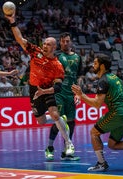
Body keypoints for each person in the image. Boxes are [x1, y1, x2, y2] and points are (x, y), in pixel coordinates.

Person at [5, 12, 75, 156]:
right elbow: (20, 39)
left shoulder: (57, 65)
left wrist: (45, 91)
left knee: (55, 114)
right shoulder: (35, 52)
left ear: (54, 47)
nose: (44, 46)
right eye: (43, 43)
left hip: (47, 91)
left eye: (48, 44)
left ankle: (69, 143)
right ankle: (60, 120)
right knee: (41, 121)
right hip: (34, 90)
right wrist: (12, 22)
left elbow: (58, 86)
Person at [71, 53, 123, 172]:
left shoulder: (103, 80)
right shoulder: (115, 77)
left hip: (118, 112)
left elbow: (97, 104)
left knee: (94, 132)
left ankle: (101, 163)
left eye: (95, 63)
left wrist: (82, 95)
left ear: (102, 66)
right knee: (112, 144)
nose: (93, 65)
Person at [45, 32, 82, 161]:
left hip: (71, 95)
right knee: (60, 120)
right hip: (59, 93)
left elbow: (79, 76)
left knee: (71, 122)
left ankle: (67, 150)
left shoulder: (78, 57)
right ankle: (50, 147)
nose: (65, 43)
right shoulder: (56, 57)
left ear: (71, 42)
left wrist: (78, 92)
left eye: (67, 41)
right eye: (63, 41)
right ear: (60, 43)